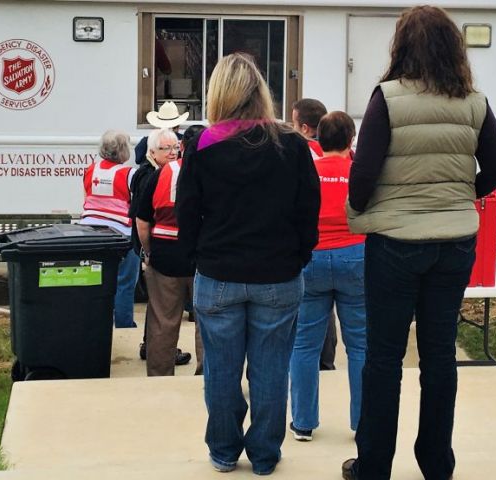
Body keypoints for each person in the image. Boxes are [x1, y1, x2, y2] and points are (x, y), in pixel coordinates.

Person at [341, 6, 496, 480]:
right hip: (455, 243)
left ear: (402, 47)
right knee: (440, 356)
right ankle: (436, 463)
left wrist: (369, 209)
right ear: (453, 48)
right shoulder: (474, 101)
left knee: (384, 357)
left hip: (394, 243)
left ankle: (373, 465)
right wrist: (459, 196)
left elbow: (363, 176)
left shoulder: (388, 99)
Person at [176, 53, 320, 475]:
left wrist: (197, 257)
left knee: (220, 370)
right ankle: (264, 455)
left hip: (218, 273)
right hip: (278, 274)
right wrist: (300, 255)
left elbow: (187, 210)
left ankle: (223, 451)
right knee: (271, 371)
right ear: (262, 93)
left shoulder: (201, 144)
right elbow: (307, 209)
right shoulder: (291, 143)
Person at [289, 111, 366, 442]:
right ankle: (363, 422)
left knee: (304, 344)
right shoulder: (361, 172)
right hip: (355, 257)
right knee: (361, 345)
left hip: (312, 259)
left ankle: (304, 422)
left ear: (318, 138)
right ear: (351, 140)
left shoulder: (307, 171)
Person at [135, 129, 203, 376]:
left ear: (182, 146)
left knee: (163, 322)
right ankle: (207, 375)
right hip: (203, 261)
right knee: (207, 322)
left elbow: (142, 222)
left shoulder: (161, 174)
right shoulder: (216, 175)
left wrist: (150, 252)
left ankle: (159, 376)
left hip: (164, 258)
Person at [292, 98, 339, 372]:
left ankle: (306, 363)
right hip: (343, 242)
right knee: (328, 311)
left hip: (311, 241)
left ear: (306, 128)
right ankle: (326, 360)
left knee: (307, 309)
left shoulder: (300, 153)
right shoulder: (341, 154)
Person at [80, 130, 139, 329]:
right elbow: (136, 204)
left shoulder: (90, 170)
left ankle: (94, 323)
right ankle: (124, 324)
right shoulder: (129, 174)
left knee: (94, 280)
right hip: (120, 234)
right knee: (124, 282)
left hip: (89, 232)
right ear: (123, 150)